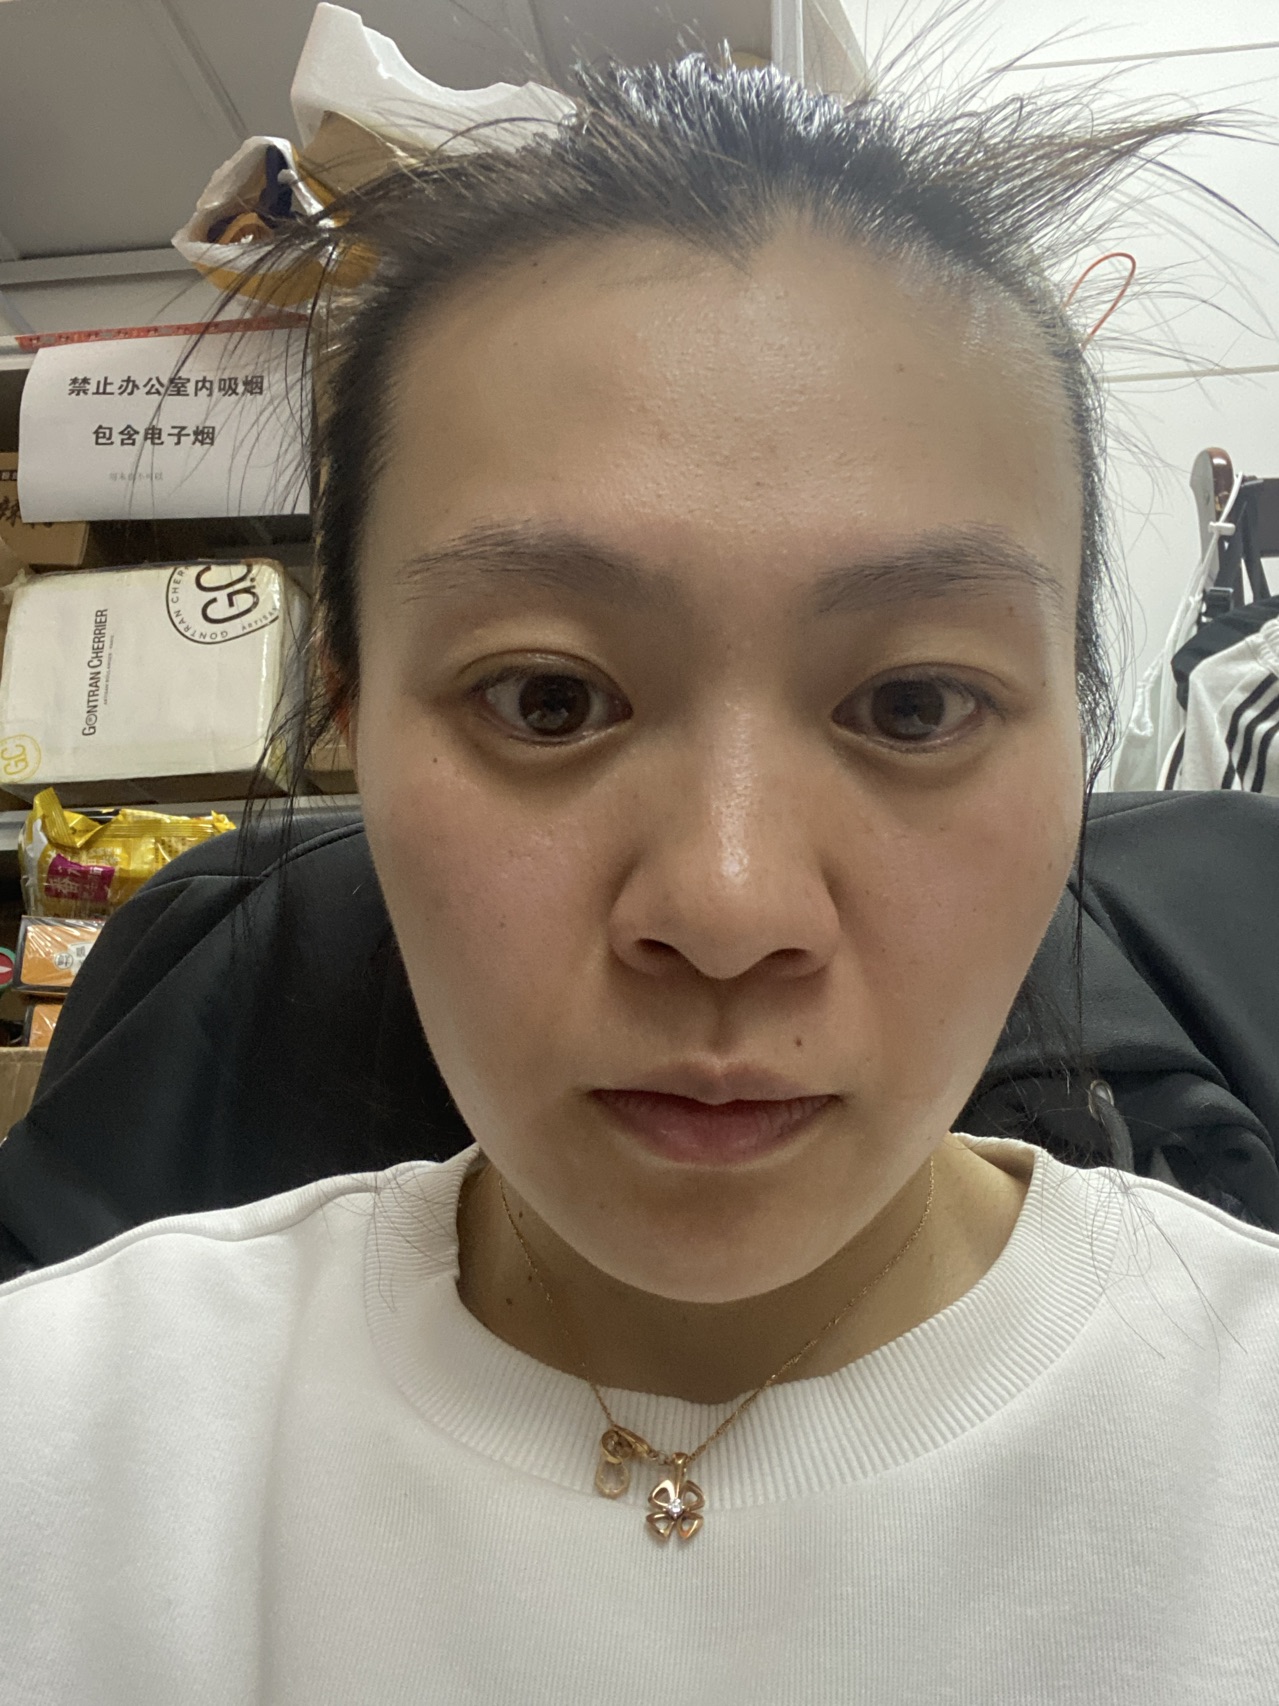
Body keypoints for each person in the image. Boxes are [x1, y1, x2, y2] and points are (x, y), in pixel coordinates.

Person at [3, 53, 1278, 1704]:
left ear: (1076, 744)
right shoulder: (61, 1456)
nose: (730, 909)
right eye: (547, 698)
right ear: (348, 719)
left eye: (912, 705)